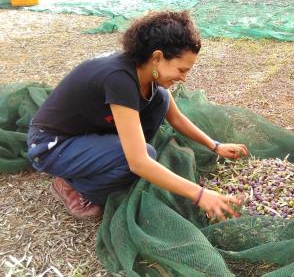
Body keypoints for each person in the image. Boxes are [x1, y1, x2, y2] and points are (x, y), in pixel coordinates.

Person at [27, 11, 249, 222]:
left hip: (90, 131)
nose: (184, 78)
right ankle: (71, 184)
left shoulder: (145, 73)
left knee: (160, 99)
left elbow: (176, 118)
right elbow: (139, 162)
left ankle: (98, 158)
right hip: (51, 145)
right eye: (182, 70)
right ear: (157, 57)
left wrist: (215, 146)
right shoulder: (120, 79)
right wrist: (200, 195)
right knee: (139, 158)